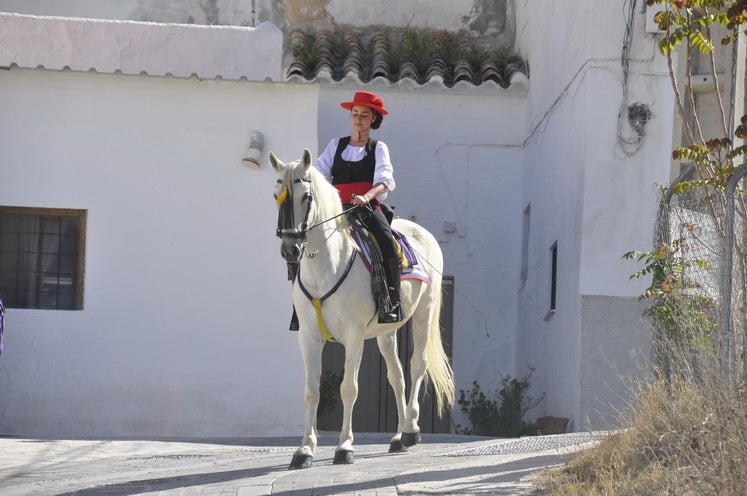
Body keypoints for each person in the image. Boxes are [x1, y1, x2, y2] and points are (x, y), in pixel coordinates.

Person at [314, 91, 402, 323]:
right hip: (336, 209)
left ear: (373, 118)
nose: (358, 119)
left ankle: (392, 302)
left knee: (387, 242)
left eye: (364, 115)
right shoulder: (336, 145)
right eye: (354, 114)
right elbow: (318, 173)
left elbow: (384, 180)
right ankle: (300, 305)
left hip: (367, 208)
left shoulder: (378, 147)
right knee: (304, 240)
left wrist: (366, 197)